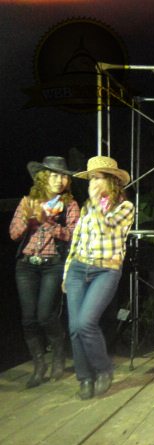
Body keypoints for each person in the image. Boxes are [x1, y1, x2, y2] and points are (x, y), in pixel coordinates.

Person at [63, 156, 134, 400]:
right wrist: (66, 272)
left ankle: (104, 370)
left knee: (86, 323)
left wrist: (96, 204)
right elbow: (76, 241)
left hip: (105, 270)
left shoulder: (125, 207)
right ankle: (85, 378)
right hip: (78, 269)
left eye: (97, 177)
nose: (92, 182)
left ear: (111, 181)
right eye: (90, 178)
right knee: (74, 327)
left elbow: (108, 229)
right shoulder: (86, 208)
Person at [10, 156, 80, 388]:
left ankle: (58, 357)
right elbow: (14, 234)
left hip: (53, 264)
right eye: (54, 175)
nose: (60, 180)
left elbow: (73, 235)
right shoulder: (28, 201)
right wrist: (28, 218)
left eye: (63, 176)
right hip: (26, 265)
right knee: (29, 318)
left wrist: (47, 222)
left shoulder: (69, 205)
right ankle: (39, 365)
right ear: (43, 178)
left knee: (45, 315)